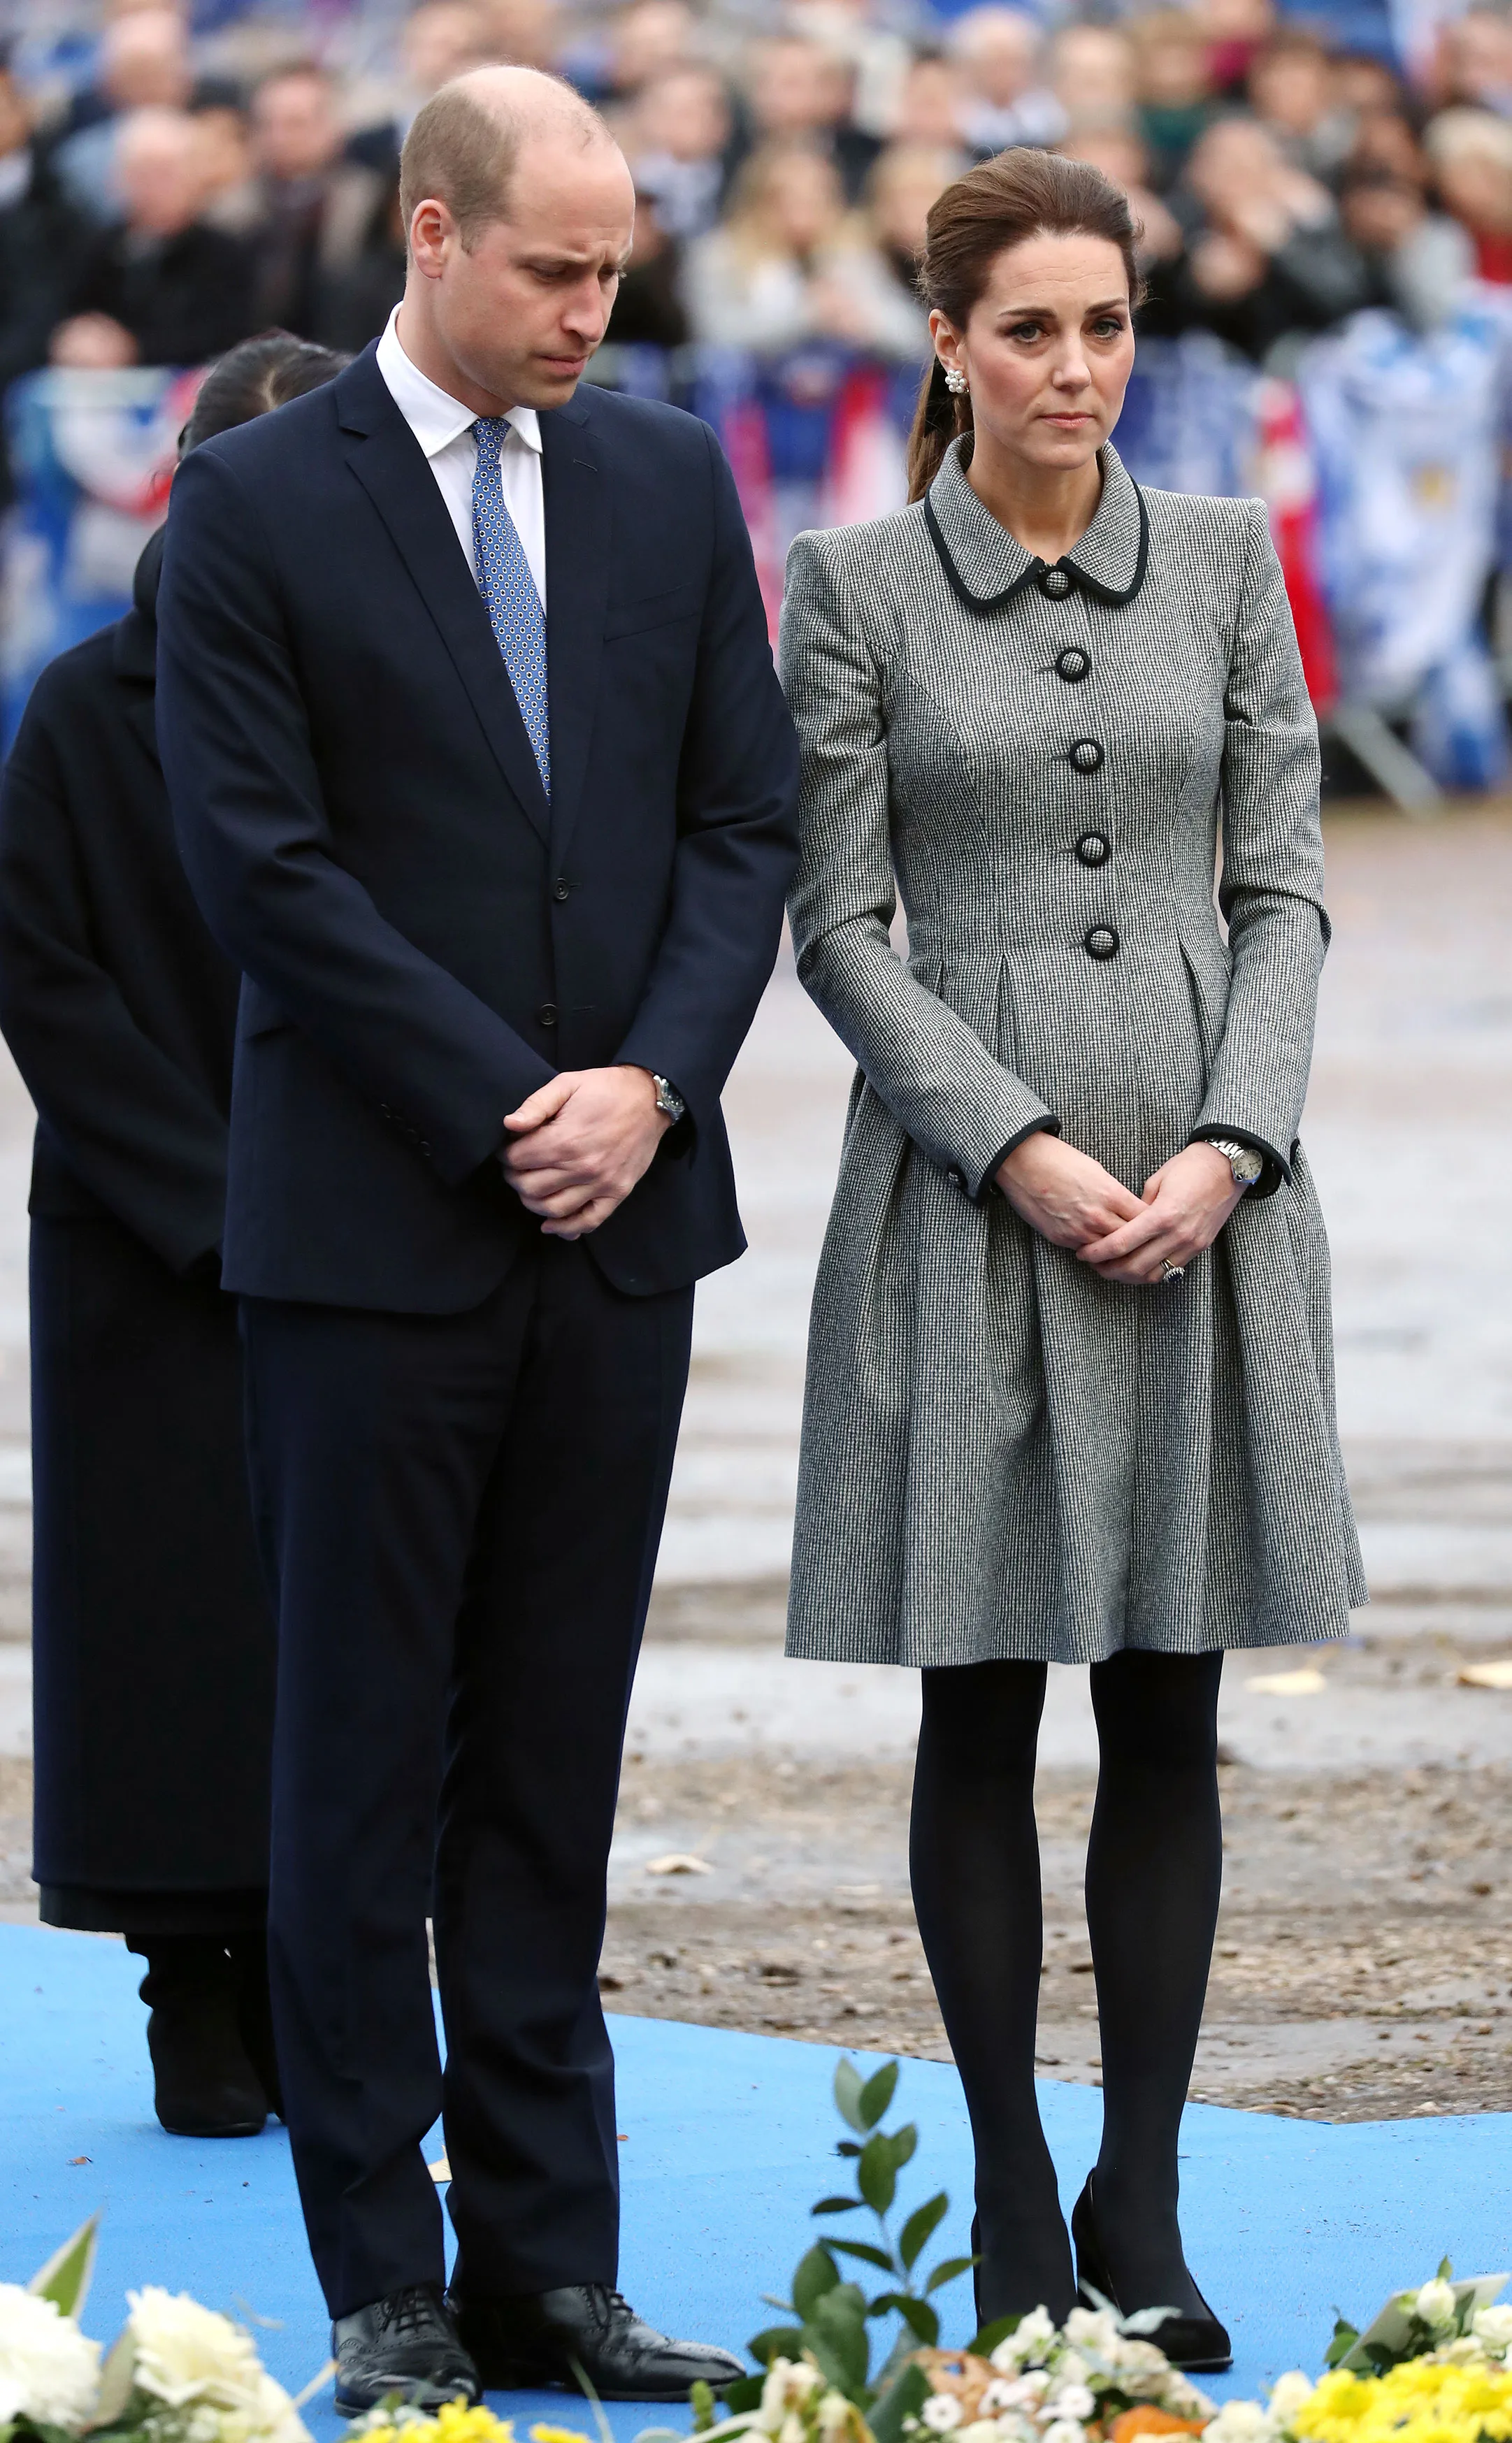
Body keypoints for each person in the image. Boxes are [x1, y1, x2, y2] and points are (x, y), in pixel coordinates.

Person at [155, 62, 797, 2416]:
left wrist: (649, 1083)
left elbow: (745, 822)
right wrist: (496, 1097)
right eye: (553, 269)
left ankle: (551, 2266)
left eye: (616, 269)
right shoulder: (245, 512)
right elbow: (260, 865)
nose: (592, 314)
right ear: (428, 238)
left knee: (551, 1762)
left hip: (616, 1223)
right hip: (369, 1236)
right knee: (350, 1773)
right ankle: (381, 2280)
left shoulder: (657, 476)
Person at [778, 147, 1364, 2368]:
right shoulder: (847, 583)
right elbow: (835, 924)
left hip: (1212, 1196)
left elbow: (1288, 881)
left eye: (1103, 324)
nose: (1072, 368)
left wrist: (1236, 1139)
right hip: (972, 1192)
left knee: (1171, 1700)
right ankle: (1013, 2188)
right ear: (946, 341)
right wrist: (1008, 1144)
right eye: (1026, 327)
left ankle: (1146, 2188)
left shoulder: (1221, 560)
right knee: (980, 1689)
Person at [0, 331, 346, 2142]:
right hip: (151, 1246)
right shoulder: (77, 706)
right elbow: (44, 977)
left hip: (361, 1230)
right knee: (167, 1624)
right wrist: (219, 1202)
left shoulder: (376, 697)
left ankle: (322, 1980)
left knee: (341, 1623)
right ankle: (185, 1991)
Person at [51, 106, 256, 369]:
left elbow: (227, 338)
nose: (153, 186)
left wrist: (133, 349)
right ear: (119, 179)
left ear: (193, 175)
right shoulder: (98, 249)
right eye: (141, 173)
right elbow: (71, 314)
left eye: (166, 173)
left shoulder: (226, 253)